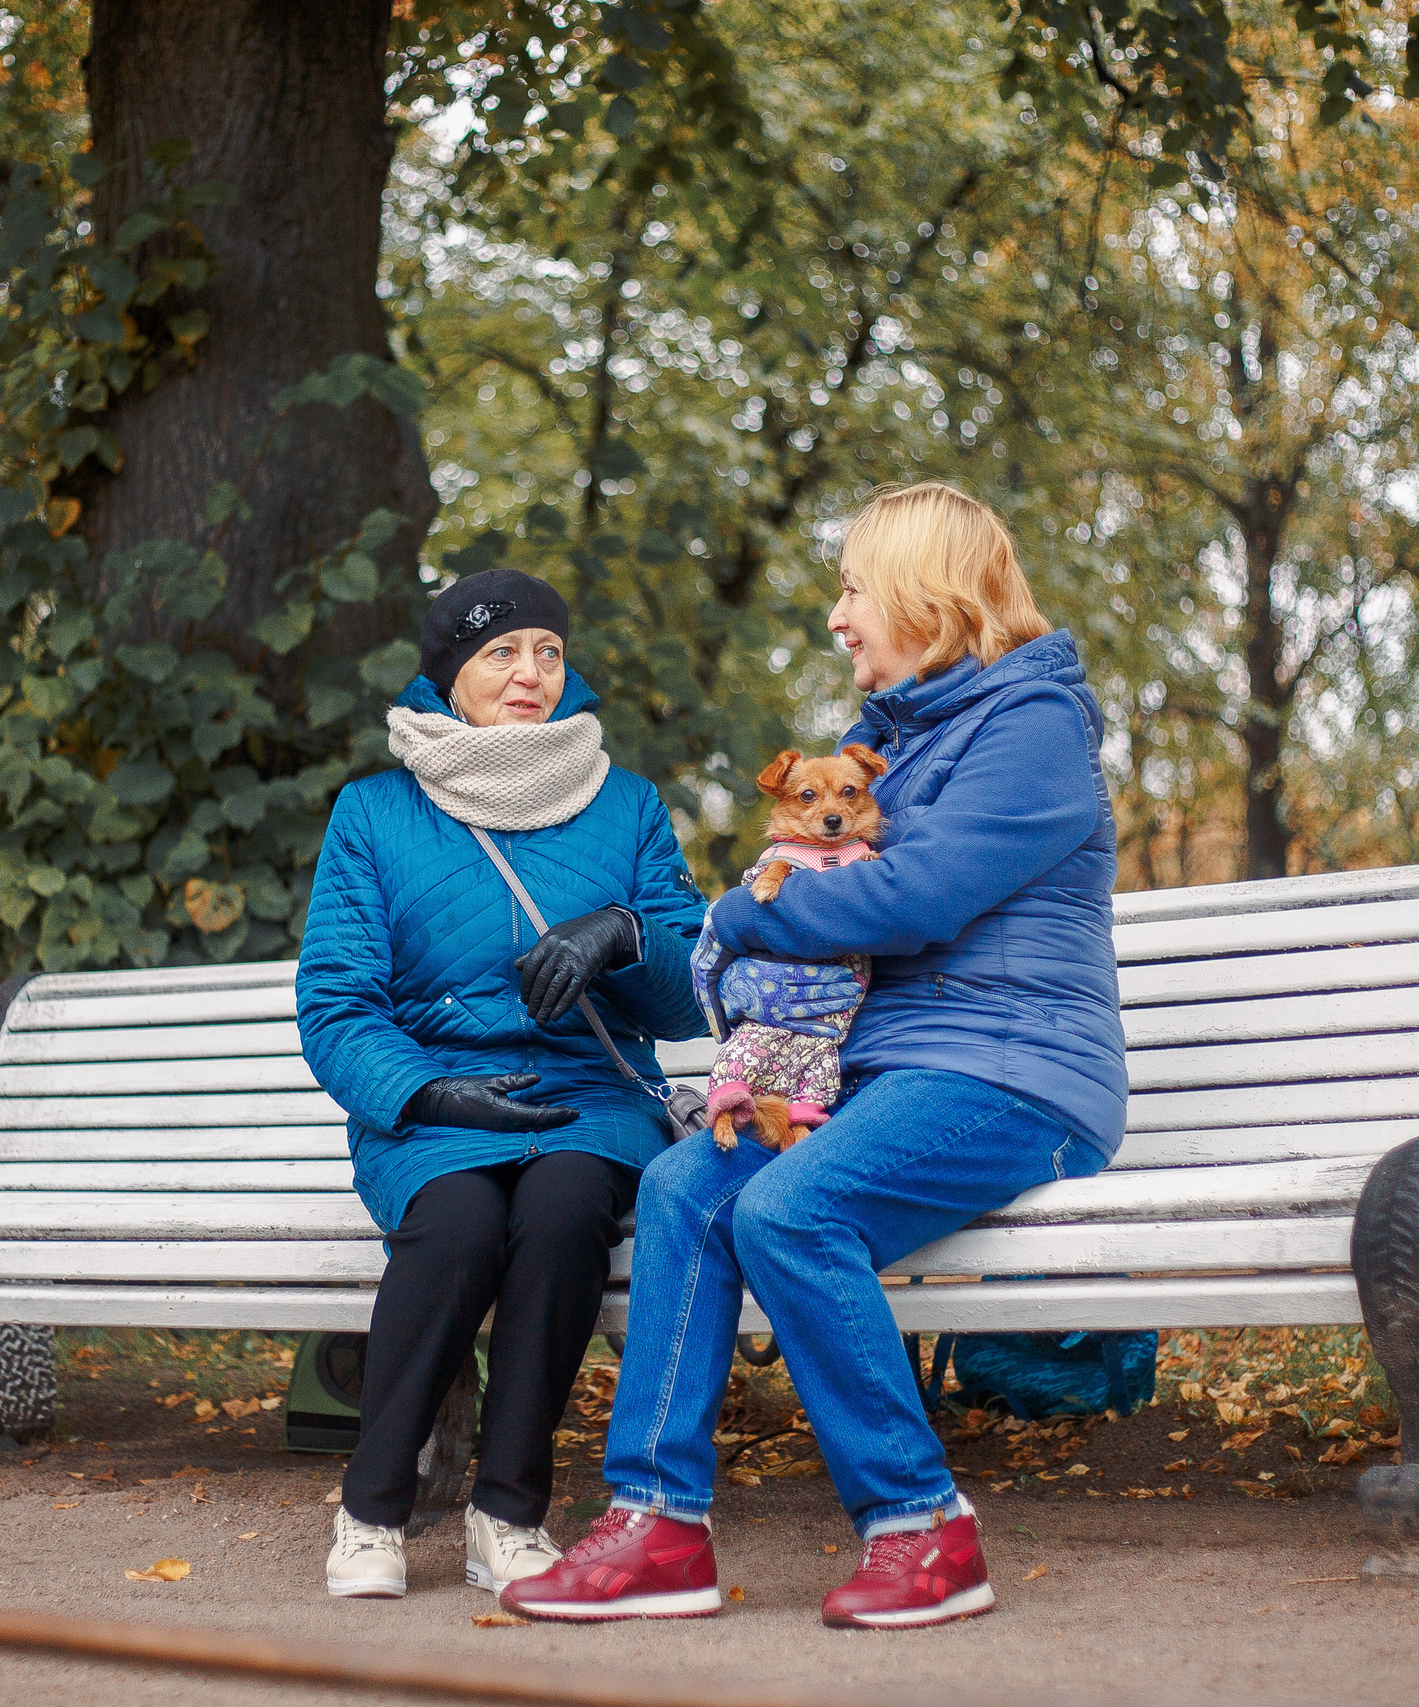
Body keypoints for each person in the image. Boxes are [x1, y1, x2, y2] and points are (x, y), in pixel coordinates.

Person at [500, 482, 1129, 1630]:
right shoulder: (893, 734)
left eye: (851, 589)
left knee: (790, 1210)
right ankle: (657, 1528)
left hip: (1011, 1069)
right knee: (685, 1185)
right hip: (878, 1070)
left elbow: (910, 898)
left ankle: (921, 1528)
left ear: (921, 595)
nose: (837, 617)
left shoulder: (1032, 724)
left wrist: (737, 920)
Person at [296, 567, 708, 1600]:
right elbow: (338, 1004)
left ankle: (507, 1514)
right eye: (500, 653)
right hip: (434, 1098)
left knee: (567, 1210)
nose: (530, 673)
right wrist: (427, 1098)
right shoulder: (374, 814)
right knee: (460, 1226)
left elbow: (691, 996)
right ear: (448, 676)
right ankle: (372, 1508)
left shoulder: (628, 805)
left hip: (591, 1096)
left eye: (548, 652)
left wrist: (622, 935)